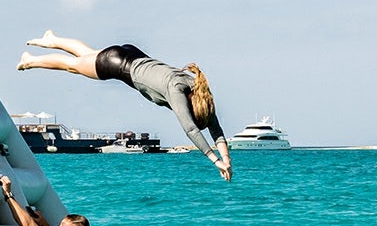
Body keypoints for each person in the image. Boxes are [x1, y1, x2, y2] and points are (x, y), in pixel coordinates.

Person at [18, 31, 233, 180]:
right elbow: (190, 129)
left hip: (130, 53)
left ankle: (52, 39)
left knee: (86, 54)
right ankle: (30, 60)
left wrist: (227, 160)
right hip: (116, 65)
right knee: (72, 65)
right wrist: (214, 161)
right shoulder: (176, 90)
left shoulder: (200, 92)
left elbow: (217, 130)